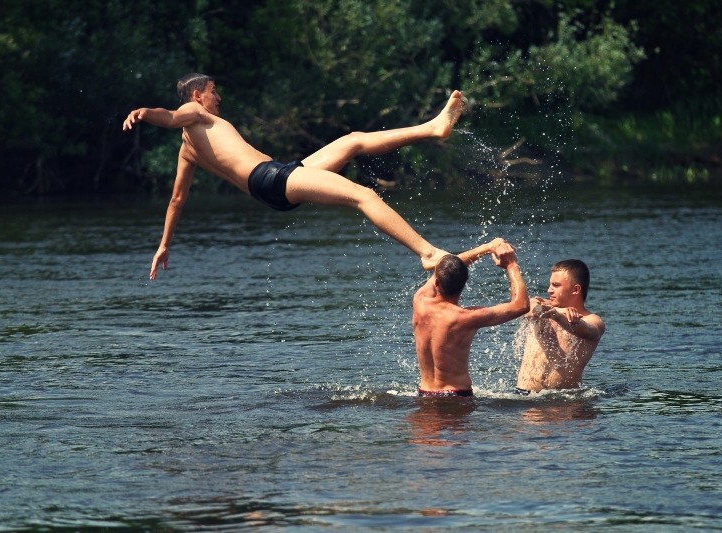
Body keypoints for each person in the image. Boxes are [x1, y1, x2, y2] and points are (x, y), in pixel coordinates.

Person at [123, 73, 465, 280]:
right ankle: (427, 252)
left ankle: (433, 128)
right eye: (214, 91)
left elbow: (177, 200)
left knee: (353, 140)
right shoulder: (194, 112)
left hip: (276, 182)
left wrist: (164, 245)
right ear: (198, 95)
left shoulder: (187, 149)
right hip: (271, 178)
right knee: (365, 195)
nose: (219, 97)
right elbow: (168, 116)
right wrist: (144, 113)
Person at [412, 238, 530, 397]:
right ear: (464, 284)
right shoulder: (466, 318)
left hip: (424, 394)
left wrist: (487, 247)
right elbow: (521, 305)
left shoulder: (420, 301)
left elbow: (449, 266)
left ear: (437, 282)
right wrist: (511, 264)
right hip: (456, 397)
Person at [515, 259, 605, 393]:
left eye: (556, 285)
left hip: (565, 399)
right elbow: (528, 310)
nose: (549, 290)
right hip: (522, 394)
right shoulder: (538, 303)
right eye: (550, 285)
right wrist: (559, 312)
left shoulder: (593, 320)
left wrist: (558, 316)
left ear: (576, 289)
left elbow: (587, 331)